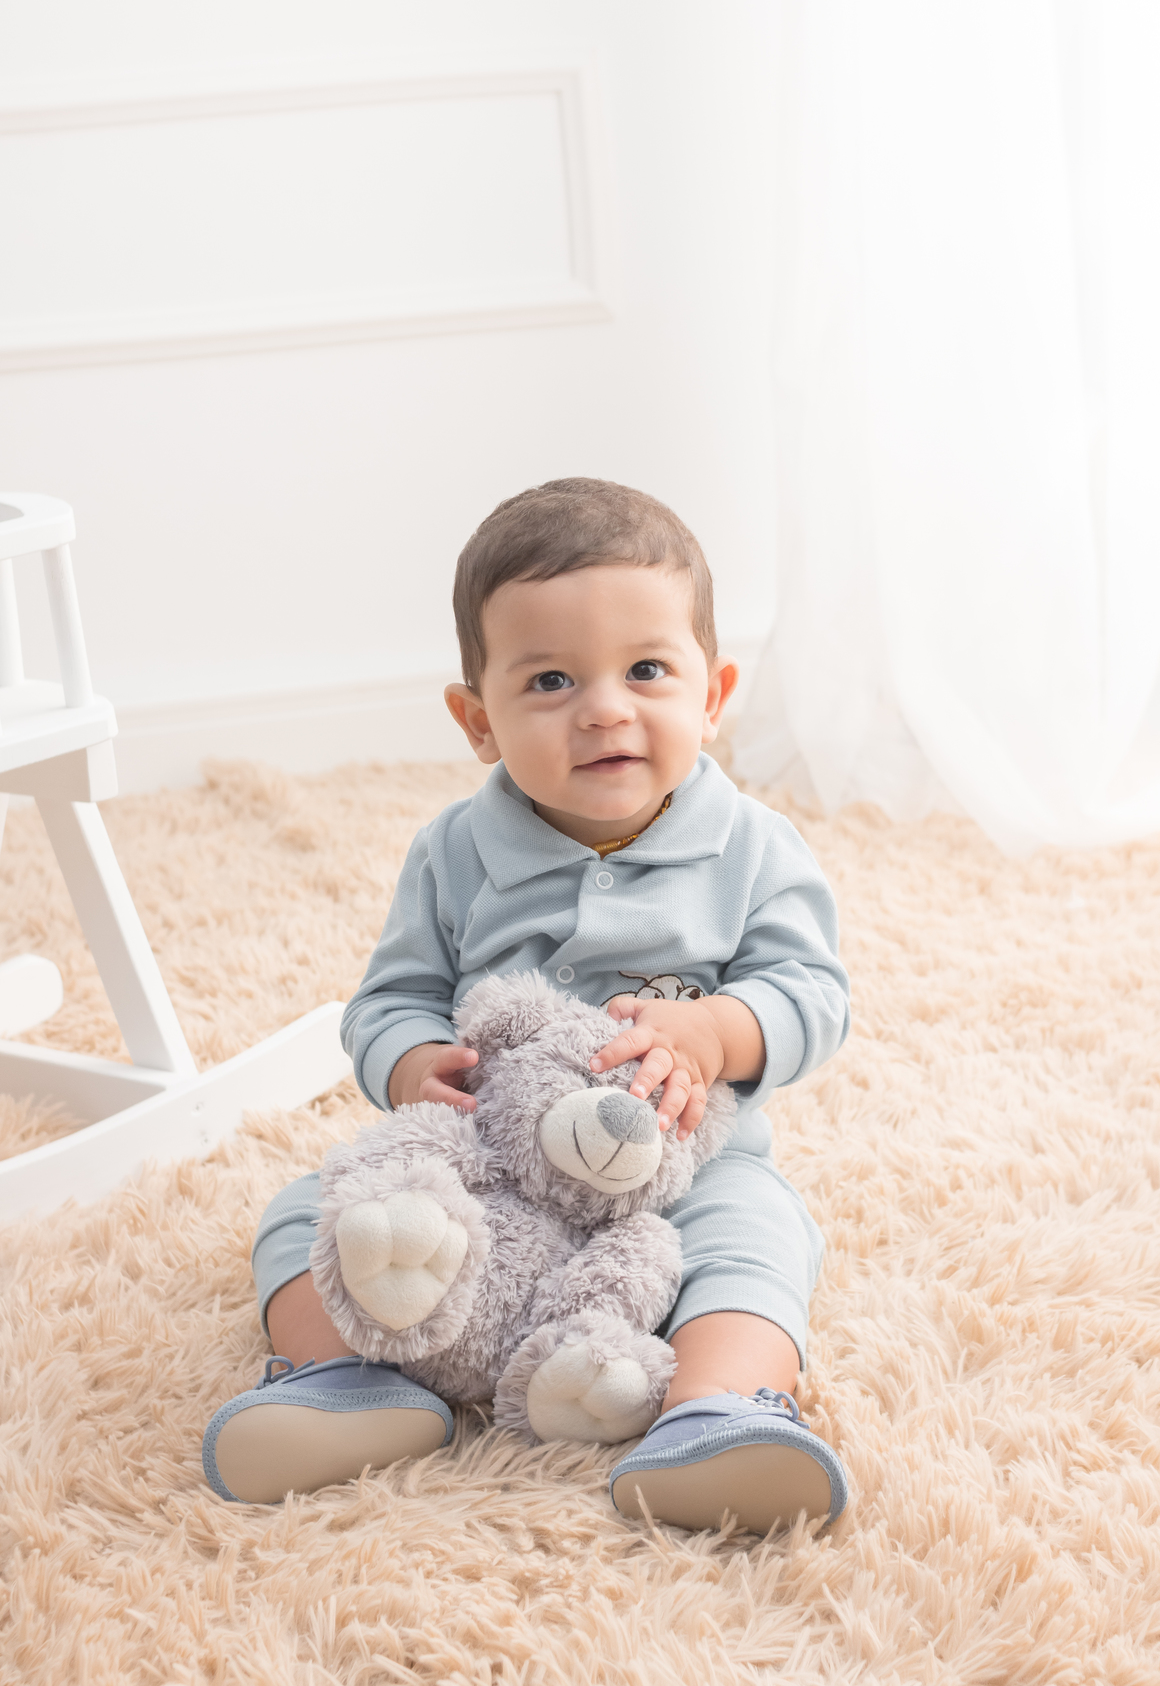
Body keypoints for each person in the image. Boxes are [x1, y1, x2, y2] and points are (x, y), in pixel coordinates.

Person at [203, 479, 851, 1532]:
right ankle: (346, 1385)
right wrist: (413, 1063)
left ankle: (720, 1410)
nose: (604, 707)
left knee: (759, 1237)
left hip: (689, 1166)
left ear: (714, 694)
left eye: (647, 670)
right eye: (550, 679)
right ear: (477, 720)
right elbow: (391, 997)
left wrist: (715, 1031)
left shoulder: (755, 849)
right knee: (304, 1214)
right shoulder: (456, 852)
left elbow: (814, 994)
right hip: (491, 1175)